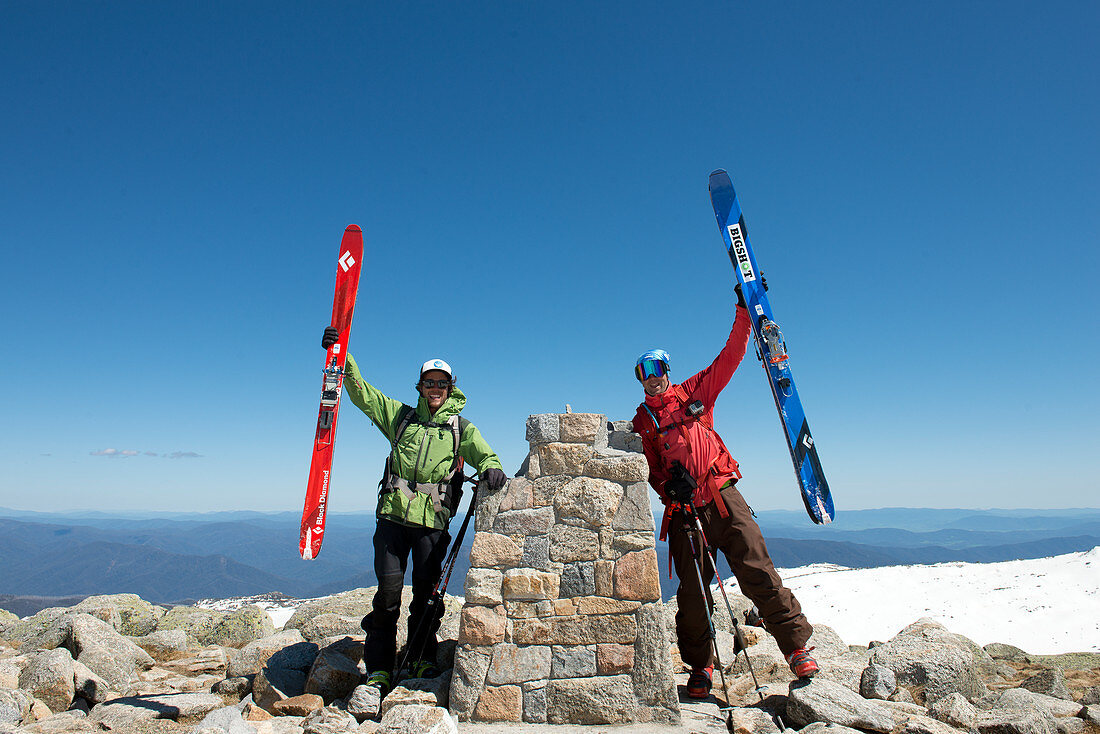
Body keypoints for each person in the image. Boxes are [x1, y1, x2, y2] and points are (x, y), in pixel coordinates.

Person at [630, 284, 818, 700]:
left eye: (657, 369)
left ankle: (796, 647)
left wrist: (743, 309)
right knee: (693, 592)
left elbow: (730, 356)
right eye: (643, 374)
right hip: (682, 511)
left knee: (756, 568)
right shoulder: (642, 421)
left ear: (667, 369)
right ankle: (701, 666)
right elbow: (651, 469)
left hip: (722, 496)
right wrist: (666, 487)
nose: (652, 379)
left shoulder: (695, 393)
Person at [321, 327, 507, 693]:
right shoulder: (401, 419)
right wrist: (341, 352)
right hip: (392, 520)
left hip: (432, 525)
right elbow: (362, 393)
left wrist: (491, 466)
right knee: (387, 597)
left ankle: (422, 655)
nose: (434, 389)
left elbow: (485, 453)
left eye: (441, 383)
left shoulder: (460, 429)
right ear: (420, 387)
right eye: (428, 382)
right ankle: (379, 667)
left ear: (450, 387)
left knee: (426, 597)